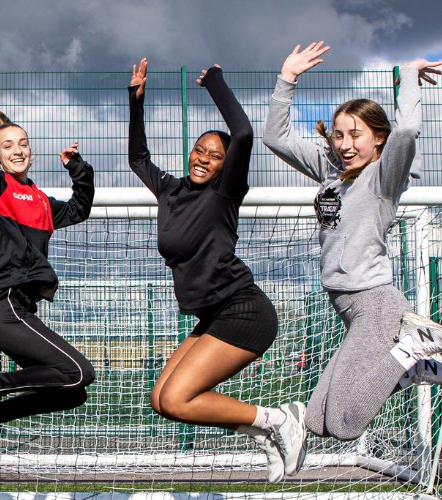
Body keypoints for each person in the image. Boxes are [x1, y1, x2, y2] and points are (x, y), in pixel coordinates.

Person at [261, 41, 442, 444]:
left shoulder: (383, 178)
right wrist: (286, 78)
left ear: (379, 140)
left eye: (356, 135)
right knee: (317, 422)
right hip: (345, 304)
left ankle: (417, 347)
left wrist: (408, 75)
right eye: (339, 135)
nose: (344, 144)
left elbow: (407, 129)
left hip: (374, 301)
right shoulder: (332, 171)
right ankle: (413, 368)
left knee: (344, 424)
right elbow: (276, 138)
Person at [127, 58, 305, 482]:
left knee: (179, 399)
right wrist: (137, 101)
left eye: (214, 155)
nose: (204, 159)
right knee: (161, 399)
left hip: (244, 312)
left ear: (226, 166)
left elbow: (242, 133)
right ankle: (258, 429)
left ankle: (278, 419)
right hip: (212, 316)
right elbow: (137, 158)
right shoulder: (171, 190)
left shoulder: (225, 194)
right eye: (199, 150)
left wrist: (215, 83)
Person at [0, 48, 96, 467]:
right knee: (82, 370)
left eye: (23, 143)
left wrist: (78, 168)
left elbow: (80, 208)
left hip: (20, 309)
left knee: (72, 389)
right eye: (8, 145)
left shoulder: (43, 202)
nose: (18, 149)